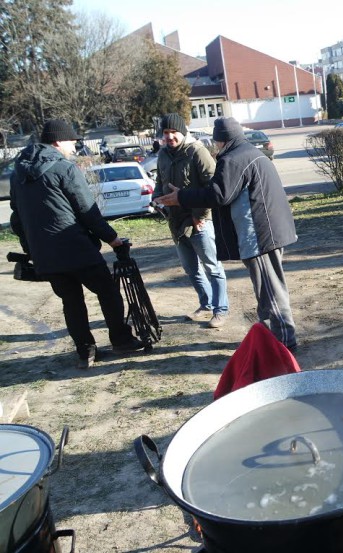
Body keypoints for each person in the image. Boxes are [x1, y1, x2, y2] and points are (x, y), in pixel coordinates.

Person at [9, 119, 145, 369]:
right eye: (72, 141)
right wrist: (113, 240)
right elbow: (88, 212)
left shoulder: (19, 173)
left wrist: (31, 249)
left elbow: (16, 218)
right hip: (76, 249)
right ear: (58, 141)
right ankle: (121, 340)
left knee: (71, 302)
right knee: (108, 292)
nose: (74, 145)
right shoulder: (64, 168)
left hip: (45, 256)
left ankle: (85, 352)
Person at [154, 117, 299, 351]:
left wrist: (181, 197)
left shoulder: (234, 158)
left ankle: (284, 342)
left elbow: (219, 194)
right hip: (267, 232)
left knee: (270, 290)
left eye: (216, 141)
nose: (215, 146)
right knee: (268, 289)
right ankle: (275, 337)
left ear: (220, 140)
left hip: (260, 235)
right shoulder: (249, 151)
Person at [153, 113, 229, 328]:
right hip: (176, 223)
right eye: (166, 133)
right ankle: (205, 305)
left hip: (199, 222)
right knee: (191, 269)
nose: (169, 137)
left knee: (212, 267)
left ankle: (220, 310)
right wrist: (156, 198)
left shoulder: (197, 151)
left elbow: (213, 187)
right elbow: (160, 182)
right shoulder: (163, 155)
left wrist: (199, 214)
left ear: (182, 132)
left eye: (173, 132)